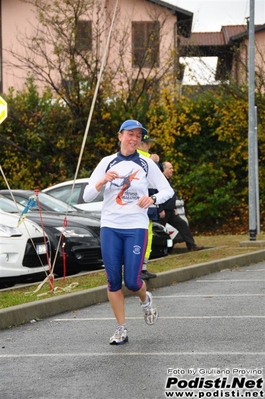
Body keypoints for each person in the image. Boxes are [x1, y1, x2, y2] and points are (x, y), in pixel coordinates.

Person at [83, 120, 174, 345]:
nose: (134, 139)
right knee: (113, 281)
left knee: (132, 282)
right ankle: (121, 328)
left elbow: (167, 190)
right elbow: (86, 196)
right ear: (120, 136)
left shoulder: (145, 163)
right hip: (111, 226)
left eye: (138, 136)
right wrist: (103, 180)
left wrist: (152, 199)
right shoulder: (107, 162)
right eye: (130, 134)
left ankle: (146, 300)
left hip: (136, 226)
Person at [159, 161, 204, 252]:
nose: (172, 170)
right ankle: (160, 250)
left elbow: (170, 196)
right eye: (170, 168)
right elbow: (157, 196)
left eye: (172, 168)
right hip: (163, 212)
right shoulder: (160, 181)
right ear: (164, 170)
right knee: (159, 231)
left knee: (182, 224)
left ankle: (191, 246)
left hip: (170, 211)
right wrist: (160, 209)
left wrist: (174, 208)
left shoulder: (168, 180)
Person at [137, 135, 160, 280]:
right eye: (146, 144)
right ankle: (141, 268)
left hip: (143, 203)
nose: (149, 147)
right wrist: (155, 162)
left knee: (146, 235)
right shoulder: (147, 159)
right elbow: (156, 183)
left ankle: (139, 267)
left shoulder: (131, 157)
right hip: (146, 203)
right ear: (139, 144)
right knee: (145, 235)